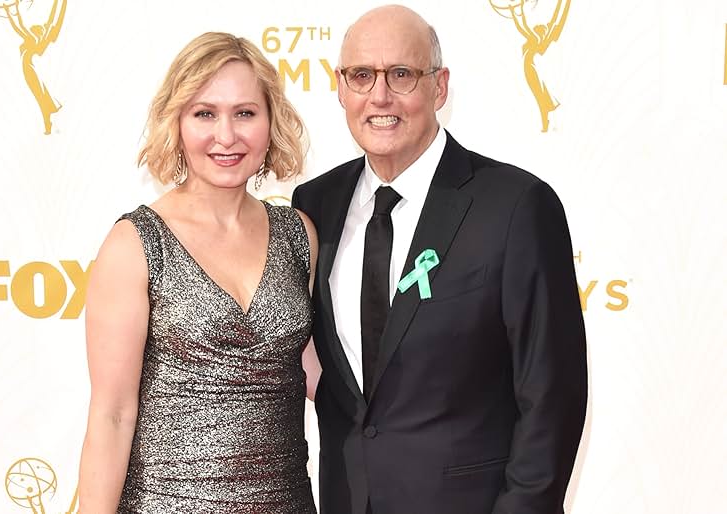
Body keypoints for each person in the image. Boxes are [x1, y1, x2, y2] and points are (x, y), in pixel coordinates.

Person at [292, 5, 587, 514]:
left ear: (440, 86)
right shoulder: (314, 205)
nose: (379, 96)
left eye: (401, 75)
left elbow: (551, 397)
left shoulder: (516, 206)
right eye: (361, 76)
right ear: (340, 88)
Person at [78, 32, 320, 513]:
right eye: (204, 113)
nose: (226, 136)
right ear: (177, 123)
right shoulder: (136, 243)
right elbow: (112, 415)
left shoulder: (298, 234)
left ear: (271, 122)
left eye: (245, 113)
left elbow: (315, 374)